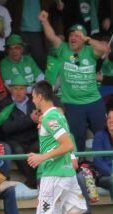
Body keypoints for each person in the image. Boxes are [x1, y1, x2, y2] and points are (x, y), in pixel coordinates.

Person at [28, 81, 113, 214]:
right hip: (68, 176)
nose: (32, 100)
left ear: (40, 97)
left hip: (54, 176)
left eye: (33, 96)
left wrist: (41, 157)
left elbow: (67, 145)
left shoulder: (51, 118)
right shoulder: (57, 117)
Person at [39, 11, 110, 152]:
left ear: (83, 39)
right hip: (73, 104)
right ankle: (80, 167)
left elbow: (105, 48)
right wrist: (44, 21)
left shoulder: (90, 51)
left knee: (103, 134)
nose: (73, 37)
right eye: (71, 35)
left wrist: (88, 39)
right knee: (76, 138)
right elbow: (51, 36)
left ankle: (105, 167)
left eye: (77, 35)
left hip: (94, 102)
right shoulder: (64, 49)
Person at [0, 76, 39, 187]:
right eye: (15, 89)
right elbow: (7, 128)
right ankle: (32, 180)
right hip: (14, 140)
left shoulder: (34, 102)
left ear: (26, 90)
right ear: (11, 90)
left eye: (21, 89)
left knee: (38, 147)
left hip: (32, 139)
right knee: (19, 150)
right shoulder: (4, 104)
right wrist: (30, 120)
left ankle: (33, 180)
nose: (18, 92)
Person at [85, 109, 113, 214]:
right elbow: (98, 160)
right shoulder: (100, 136)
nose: (111, 121)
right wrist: (111, 172)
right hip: (106, 175)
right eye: (109, 118)